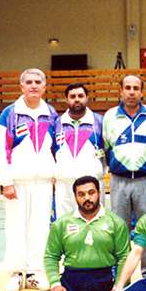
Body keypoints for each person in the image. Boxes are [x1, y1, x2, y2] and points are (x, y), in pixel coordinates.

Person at [0, 68, 58, 291]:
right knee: (15, 228)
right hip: (17, 183)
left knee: (40, 229)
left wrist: (54, 176)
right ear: (21, 87)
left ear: (44, 86)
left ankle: (34, 272)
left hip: (42, 182)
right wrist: (6, 181)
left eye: (38, 82)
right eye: (29, 82)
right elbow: (0, 148)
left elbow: (56, 147)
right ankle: (14, 272)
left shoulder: (51, 112)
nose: (33, 85)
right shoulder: (10, 113)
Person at [44, 176, 130, 291]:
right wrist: (55, 284)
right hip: (72, 281)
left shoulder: (116, 222)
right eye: (81, 194)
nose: (87, 198)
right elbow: (51, 256)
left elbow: (124, 257)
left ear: (99, 194)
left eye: (91, 193)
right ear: (75, 197)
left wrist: (118, 287)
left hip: (105, 280)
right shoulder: (62, 223)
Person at [103, 75, 146, 275]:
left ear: (142, 92)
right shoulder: (110, 116)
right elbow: (106, 148)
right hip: (119, 181)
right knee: (120, 229)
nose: (132, 92)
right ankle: (120, 273)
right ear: (121, 91)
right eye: (128, 87)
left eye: (136, 88)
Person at [53, 83, 105, 217]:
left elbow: (108, 151)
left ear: (87, 97)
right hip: (64, 185)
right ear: (66, 99)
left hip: (92, 185)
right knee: (66, 226)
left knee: (95, 226)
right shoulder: (57, 124)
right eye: (72, 96)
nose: (77, 99)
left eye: (80, 96)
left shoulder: (100, 122)